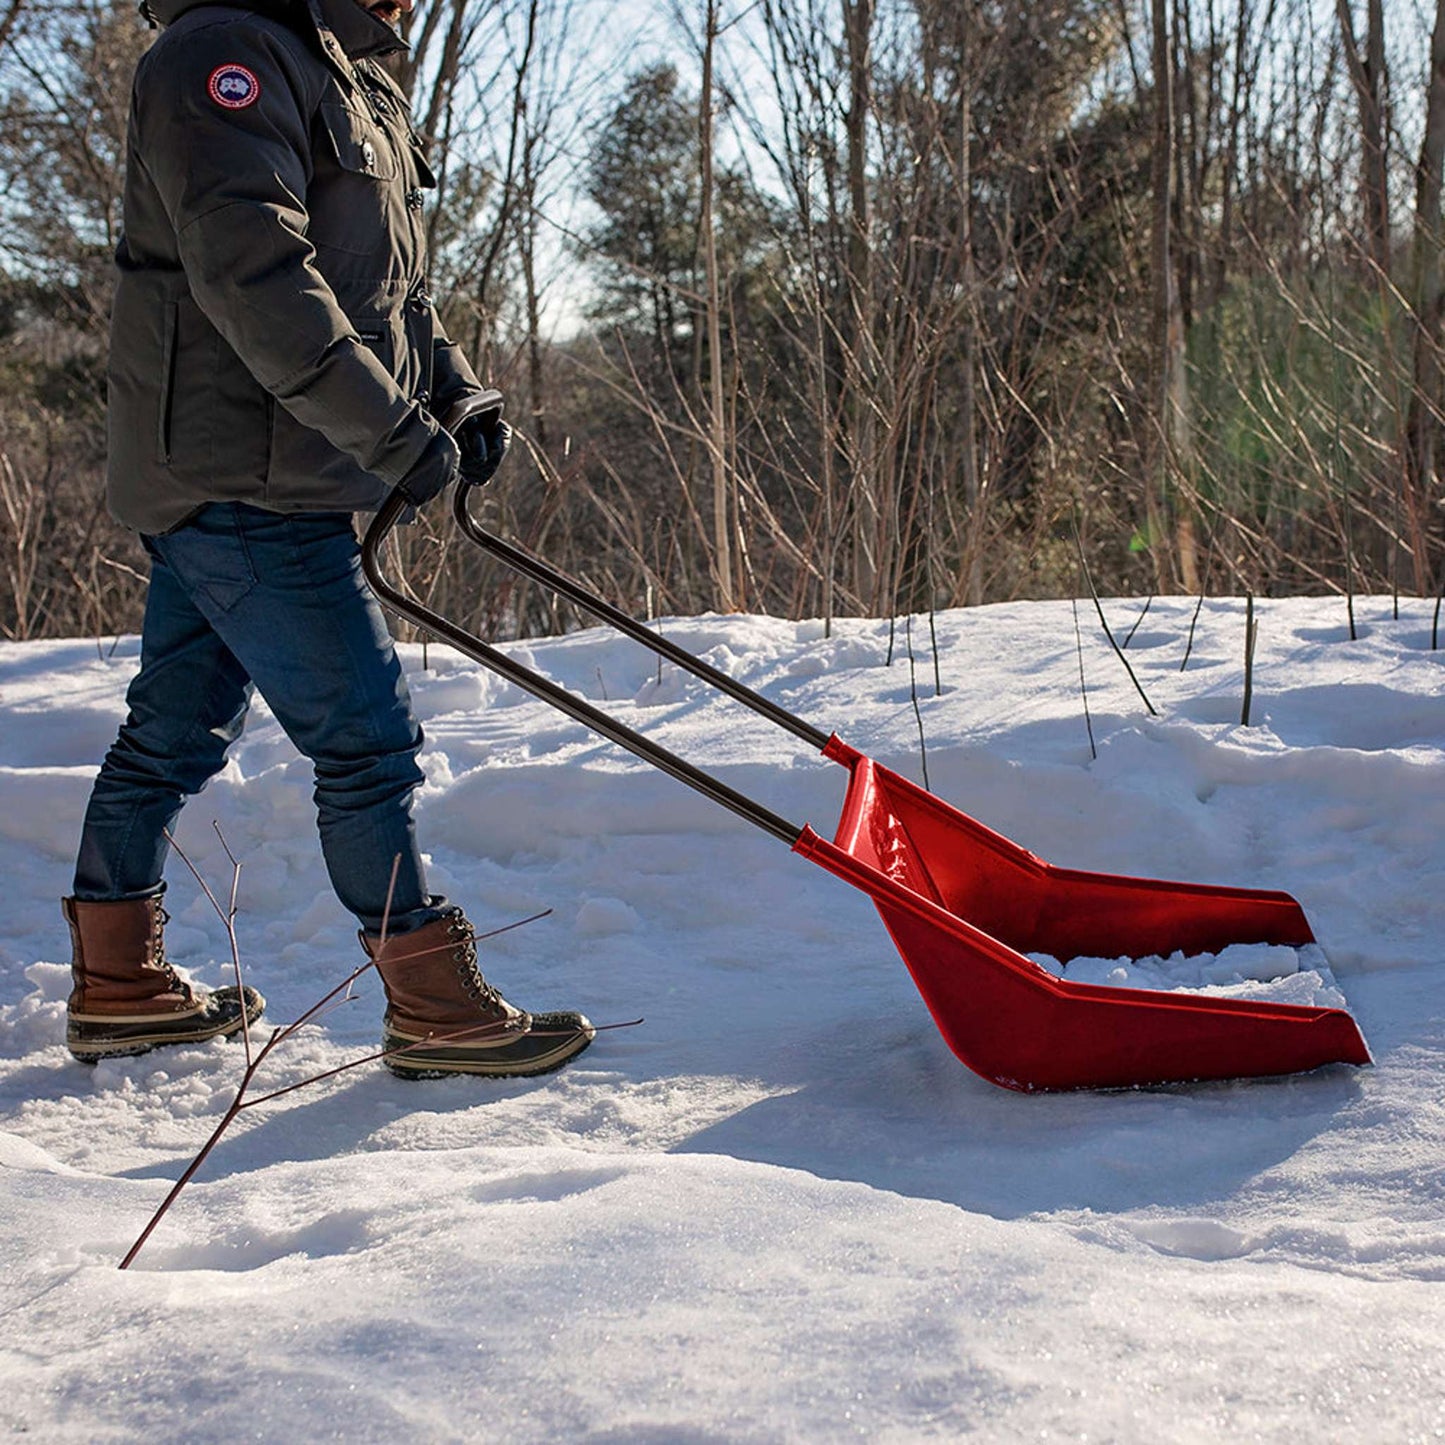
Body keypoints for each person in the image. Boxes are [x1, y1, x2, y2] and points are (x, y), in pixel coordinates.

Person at [63, 0, 594, 1079]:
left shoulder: (340, 67)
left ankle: (117, 986)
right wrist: (391, 433)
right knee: (366, 736)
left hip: (268, 463)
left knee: (173, 731)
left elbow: (382, 286)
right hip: (242, 475)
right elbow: (257, 278)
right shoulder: (223, 53)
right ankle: (432, 1006)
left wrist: (451, 392)